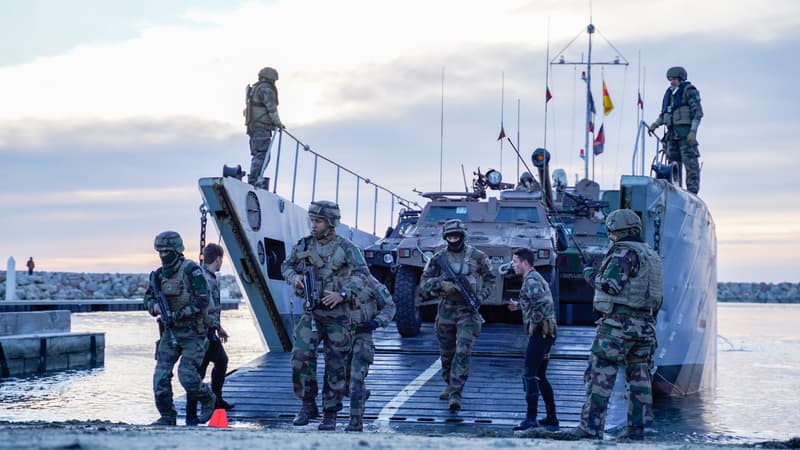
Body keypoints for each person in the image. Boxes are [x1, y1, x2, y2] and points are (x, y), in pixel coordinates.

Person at [568, 209, 663, 440]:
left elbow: (611, 285)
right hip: (645, 327)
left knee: (599, 376)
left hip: (618, 326)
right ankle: (638, 431)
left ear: (616, 230)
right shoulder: (651, 254)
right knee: (639, 379)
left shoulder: (624, 252)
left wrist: (590, 273)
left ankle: (590, 428)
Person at [281, 200, 369, 431]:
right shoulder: (303, 245)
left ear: (330, 223)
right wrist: (294, 278)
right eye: (312, 220)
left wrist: (343, 293)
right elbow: (286, 266)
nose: (314, 225)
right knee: (300, 357)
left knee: (336, 365)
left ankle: (330, 412)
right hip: (312, 313)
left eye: (318, 221)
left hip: (338, 315)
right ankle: (307, 404)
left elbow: (363, 275)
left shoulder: (348, 248)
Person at [420, 218, 496, 411]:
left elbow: (490, 279)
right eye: (450, 236)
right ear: (446, 237)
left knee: (463, 352)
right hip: (446, 309)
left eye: (457, 236)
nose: (453, 239)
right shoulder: (438, 259)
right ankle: (449, 383)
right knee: (447, 354)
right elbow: (424, 284)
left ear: (462, 236)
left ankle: (456, 392)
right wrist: (441, 284)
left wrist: (481, 296)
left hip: (468, 311)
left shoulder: (477, 256)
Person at [143, 231, 216, 426]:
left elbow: (202, 300)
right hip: (169, 333)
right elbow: (148, 298)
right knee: (160, 377)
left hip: (193, 332)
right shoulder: (158, 275)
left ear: (176, 250)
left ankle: (208, 397)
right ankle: (167, 416)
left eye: (167, 251)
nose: (163, 255)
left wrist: (178, 314)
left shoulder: (192, 270)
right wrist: (154, 307)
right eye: (160, 251)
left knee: (188, 377)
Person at [507, 247, 558, 431]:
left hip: (540, 333)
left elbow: (542, 303)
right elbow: (535, 300)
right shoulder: (534, 278)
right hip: (547, 332)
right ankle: (552, 417)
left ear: (525, 263)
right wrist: (519, 306)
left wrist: (534, 323)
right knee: (541, 375)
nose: (513, 266)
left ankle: (531, 419)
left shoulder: (531, 280)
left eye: (515, 262)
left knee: (530, 374)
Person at [185, 243, 233, 426]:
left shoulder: (205, 276)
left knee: (220, 361)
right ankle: (193, 414)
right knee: (200, 370)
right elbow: (206, 308)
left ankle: (215, 400)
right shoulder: (207, 279)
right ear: (219, 259)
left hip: (207, 331)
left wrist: (218, 327)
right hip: (203, 333)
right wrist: (215, 326)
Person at [342, 270, 396, 432]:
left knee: (356, 379)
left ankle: (355, 422)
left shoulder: (369, 281)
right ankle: (360, 395)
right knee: (341, 383)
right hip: (338, 336)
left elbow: (390, 305)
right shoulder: (332, 278)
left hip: (362, 335)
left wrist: (377, 322)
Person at [648, 66, 703, 194]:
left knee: (691, 166)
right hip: (672, 136)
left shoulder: (689, 91)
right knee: (672, 165)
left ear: (681, 79)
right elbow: (665, 114)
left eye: (674, 79)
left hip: (686, 136)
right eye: (670, 79)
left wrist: (693, 131)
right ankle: (675, 190)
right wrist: (654, 125)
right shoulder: (669, 94)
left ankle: (692, 192)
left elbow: (698, 113)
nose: (672, 82)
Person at [245, 66, 284, 187]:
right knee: (263, 154)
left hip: (253, 127)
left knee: (257, 154)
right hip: (262, 128)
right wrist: (278, 123)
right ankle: (255, 179)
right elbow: (271, 108)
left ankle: (255, 177)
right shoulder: (266, 90)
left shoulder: (255, 89)